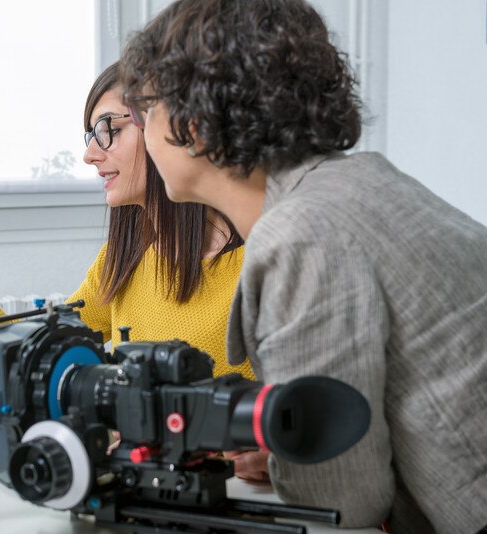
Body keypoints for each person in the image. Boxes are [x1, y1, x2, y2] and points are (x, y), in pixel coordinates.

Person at [119, 0, 487, 532]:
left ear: (193, 125)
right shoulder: (361, 181)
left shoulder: (302, 232)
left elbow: (340, 503)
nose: (143, 132)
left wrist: (296, 462)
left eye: (144, 111)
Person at [0, 62, 254, 381]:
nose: (89, 155)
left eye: (107, 129)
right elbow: (48, 344)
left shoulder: (258, 261)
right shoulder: (124, 258)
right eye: (91, 135)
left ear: (170, 129)